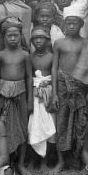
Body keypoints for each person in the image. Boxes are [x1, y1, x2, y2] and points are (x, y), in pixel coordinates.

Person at [0, 17, 33, 175]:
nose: (12, 38)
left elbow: (29, 77)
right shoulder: (0, 55)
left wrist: (30, 100)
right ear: (4, 37)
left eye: (15, 35)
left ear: (20, 35)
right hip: (4, 95)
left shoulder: (25, 55)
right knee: (4, 128)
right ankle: (6, 162)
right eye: (9, 35)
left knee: (22, 129)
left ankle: (21, 164)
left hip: (21, 96)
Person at [52, 10, 88, 172]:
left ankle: (77, 158)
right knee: (62, 123)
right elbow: (54, 68)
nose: (71, 26)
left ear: (81, 25)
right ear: (64, 24)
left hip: (80, 87)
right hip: (62, 86)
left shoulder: (85, 43)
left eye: (75, 23)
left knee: (80, 125)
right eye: (69, 23)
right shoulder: (59, 43)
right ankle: (61, 160)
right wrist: (54, 93)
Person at [28, 26, 56, 166]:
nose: (38, 41)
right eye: (35, 38)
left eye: (41, 38)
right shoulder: (30, 57)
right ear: (31, 41)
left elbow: (54, 76)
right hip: (35, 94)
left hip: (48, 93)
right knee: (35, 124)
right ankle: (34, 158)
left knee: (48, 124)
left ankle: (46, 160)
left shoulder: (52, 57)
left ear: (47, 40)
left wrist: (53, 95)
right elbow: (29, 77)